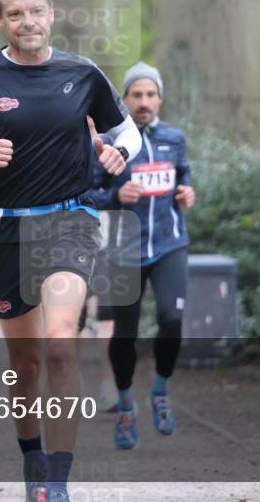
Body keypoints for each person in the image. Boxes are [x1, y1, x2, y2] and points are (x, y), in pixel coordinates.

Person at [0, 0, 142, 502]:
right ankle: (32, 462)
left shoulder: (83, 72)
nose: (28, 21)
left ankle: (59, 482)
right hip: (5, 230)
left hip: (70, 221)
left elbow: (128, 133)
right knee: (24, 362)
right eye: (16, 13)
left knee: (60, 346)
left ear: (52, 13)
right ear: (0, 19)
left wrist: (118, 153)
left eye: (36, 10)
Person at [90, 61, 195, 450]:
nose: (145, 101)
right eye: (137, 95)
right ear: (125, 99)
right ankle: (126, 404)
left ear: (160, 99)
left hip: (169, 245)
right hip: (125, 249)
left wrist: (187, 192)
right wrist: (116, 196)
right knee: (126, 333)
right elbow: (89, 193)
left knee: (172, 317)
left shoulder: (174, 137)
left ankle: (161, 391)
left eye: (151, 95)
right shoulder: (109, 142)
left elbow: (183, 176)